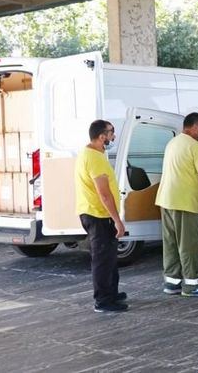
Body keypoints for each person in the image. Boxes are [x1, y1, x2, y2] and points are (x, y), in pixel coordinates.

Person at [155, 112, 198, 297]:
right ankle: (192, 285)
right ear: (193, 126)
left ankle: (172, 282)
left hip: (166, 200)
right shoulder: (194, 146)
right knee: (189, 244)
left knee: (170, 243)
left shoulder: (173, 143)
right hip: (184, 201)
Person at [75, 120, 128, 312]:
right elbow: (104, 194)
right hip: (97, 214)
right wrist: (117, 220)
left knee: (109, 257)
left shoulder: (93, 154)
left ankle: (111, 292)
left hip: (96, 213)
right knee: (102, 259)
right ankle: (103, 301)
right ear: (101, 136)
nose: (113, 136)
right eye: (111, 132)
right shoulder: (94, 158)